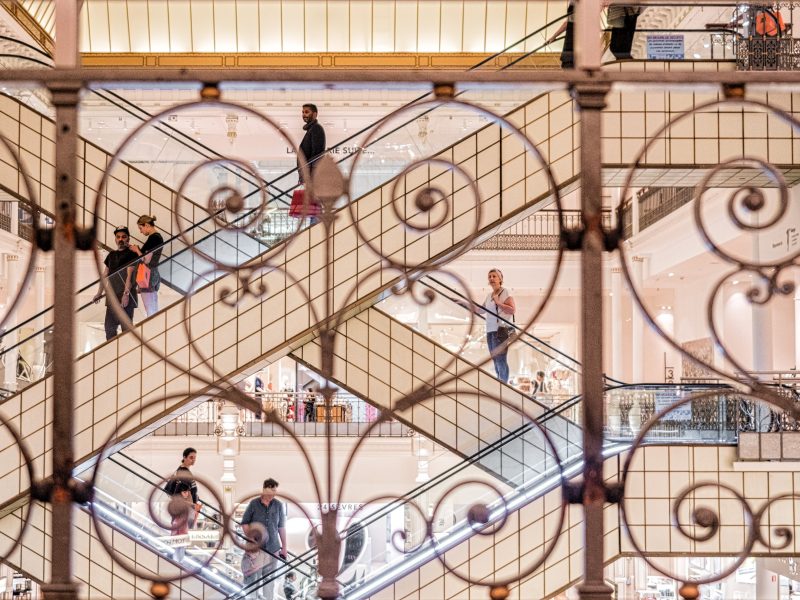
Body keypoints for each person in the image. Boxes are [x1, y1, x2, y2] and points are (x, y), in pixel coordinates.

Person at [241, 479, 288, 600]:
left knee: (269, 581)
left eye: (275, 490)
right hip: (256, 550)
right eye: (272, 490)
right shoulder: (254, 504)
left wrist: (284, 547)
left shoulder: (278, 505)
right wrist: (251, 539)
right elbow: (245, 523)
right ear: (265, 489)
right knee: (254, 580)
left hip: (273, 549)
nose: (274, 493)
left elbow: (281, 527)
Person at [93, 225, 138, 340]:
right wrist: (99, 293)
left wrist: (126, 294)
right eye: (118, 237)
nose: (121, 239)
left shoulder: (131, 254)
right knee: (109, 328)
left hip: (125, 298)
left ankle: (126, 355)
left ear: (128, 238)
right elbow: (104, 275)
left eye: (123, 237)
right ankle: (113, 354)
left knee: (126, 329)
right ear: (115, 239)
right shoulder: (111, 255)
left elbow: (130, 276)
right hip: (112, 297)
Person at [482, 268, 516, 384]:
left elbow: (512, 310)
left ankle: (504, 385)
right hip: (490, 331)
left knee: (501, 359)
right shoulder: (488, 295)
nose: (491, 278)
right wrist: (465, 304)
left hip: (500, 330)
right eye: (489, 276)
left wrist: (498, 302)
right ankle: (499, 382)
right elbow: (481, 310)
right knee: (495, 360)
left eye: (494, 276)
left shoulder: (504, 292)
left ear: (500, 279)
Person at [130, 214, 164, 316]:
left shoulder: (153, 238)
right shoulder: (157, 237)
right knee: (153, 308)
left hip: (148, 275)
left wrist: (136, 250)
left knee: (150, 310)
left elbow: (146, 260)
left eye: (141, 228)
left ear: (147, 225)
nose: (140, 231)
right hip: (153, 274)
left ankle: (153, 330)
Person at [298, 103, 326, 184]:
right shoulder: (311, 130)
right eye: (302, 112)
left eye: (307, 112)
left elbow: (317, 155)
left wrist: (309, 177)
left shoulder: (316, 128)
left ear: (314, 114)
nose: (304, 114)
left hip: (311, 178)